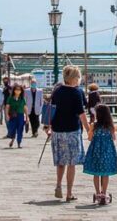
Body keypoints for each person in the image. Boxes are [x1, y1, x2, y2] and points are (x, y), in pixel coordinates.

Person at [45, 65, 91, 202]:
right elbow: (81, 114)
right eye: (78, 77)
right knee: (71, 163)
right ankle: (69, 193)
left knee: (60, 161)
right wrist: (89, 130)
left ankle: (58, 186)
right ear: (74, 78)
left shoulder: (57, 91)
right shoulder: (76, 93)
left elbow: (52, 110)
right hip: (72, 130)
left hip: (58, 130)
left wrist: (49, 127)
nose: (79, 80)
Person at [83, 103, 117, 205]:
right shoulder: (110, 127)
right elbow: (114, 138)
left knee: (96, 173)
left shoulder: (94, 126)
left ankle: (98, 193)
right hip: (107, 152)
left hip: (96, 152)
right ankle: (104, 192)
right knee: (105, 173)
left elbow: (90, 138)